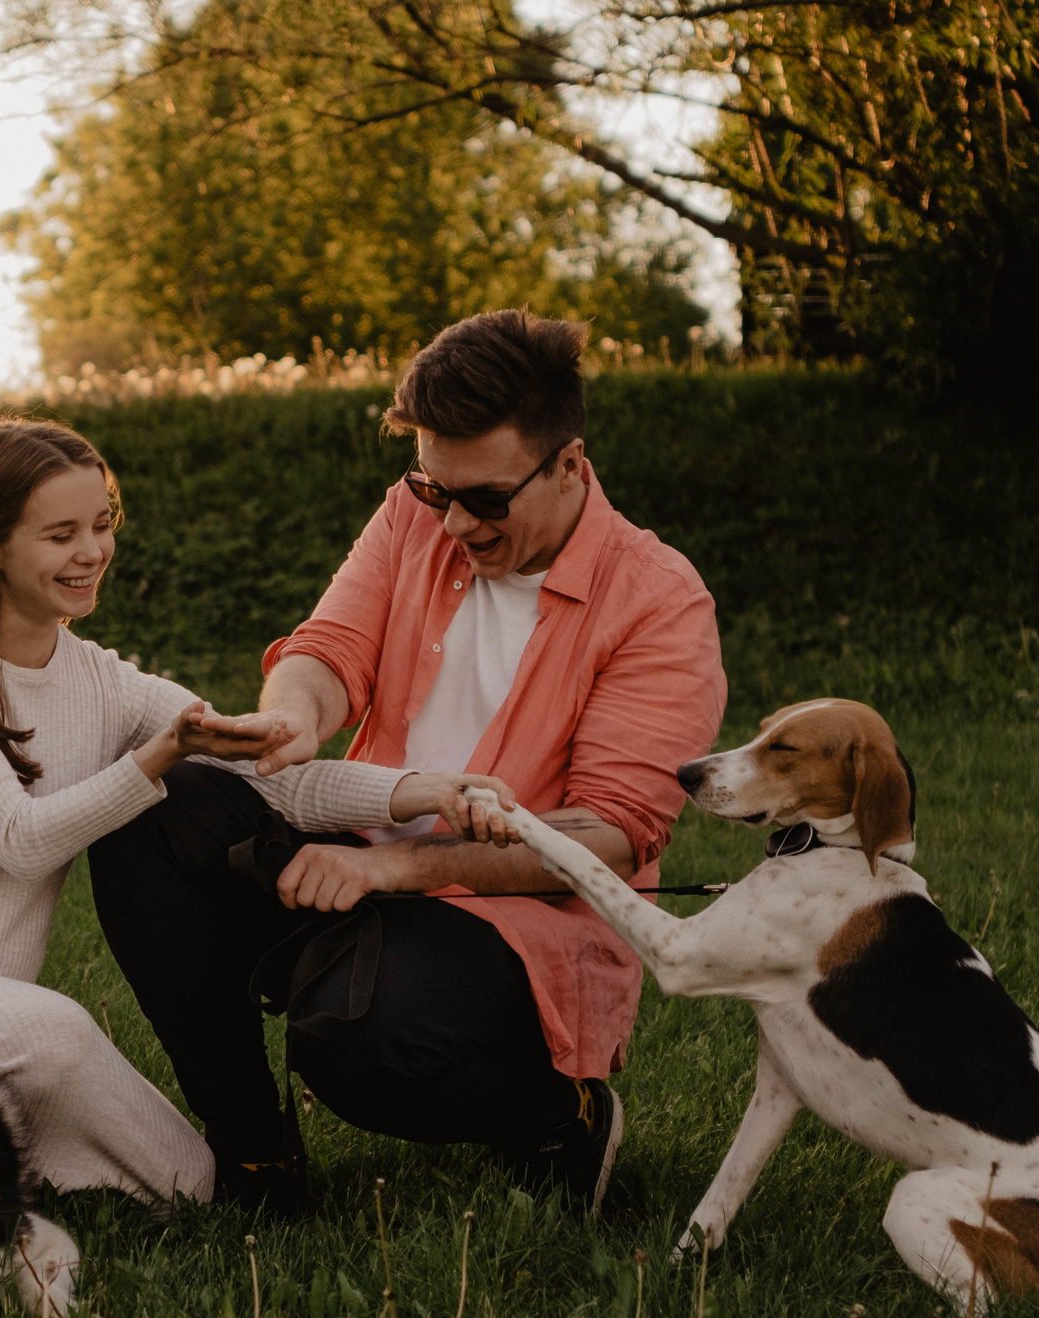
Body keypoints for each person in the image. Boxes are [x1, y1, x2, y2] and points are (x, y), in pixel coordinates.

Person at [0, 416, 518, 1209]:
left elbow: (273, 780)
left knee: (191, 1181)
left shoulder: (101, 681)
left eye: (102, 524)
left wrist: (429, 788)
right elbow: (19, 840)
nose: (92, 552)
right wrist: (154, 758)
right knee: (58, 1033)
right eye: (60, 534)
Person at [90, 312, 728, 1215]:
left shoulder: (659, 601)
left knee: (354, 1044)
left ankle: (562, 1118)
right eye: (437, 491)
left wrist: (392, 866)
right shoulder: (413, 515)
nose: (457, 521)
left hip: (511, 917)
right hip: (348, 839)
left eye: (488, 499)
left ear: (570, 466)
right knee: (153, 813)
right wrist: (292, 721)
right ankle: (254, 1159)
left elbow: (610, 836)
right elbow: (329, 647)